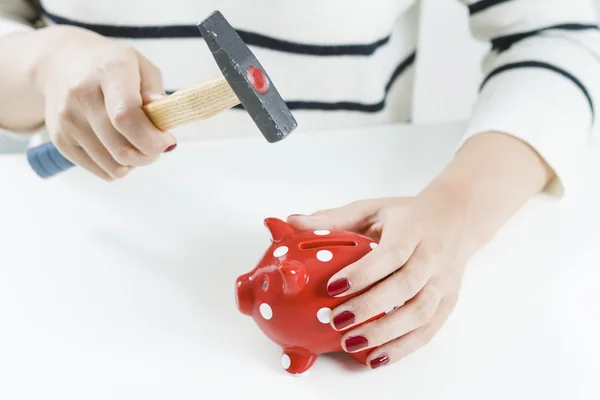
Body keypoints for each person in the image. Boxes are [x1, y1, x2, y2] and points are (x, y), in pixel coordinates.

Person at [1, 0, 598, 370]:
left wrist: (456, 209)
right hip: (72, 249)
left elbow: (560, 32)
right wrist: (44, 61)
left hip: (355, 219)